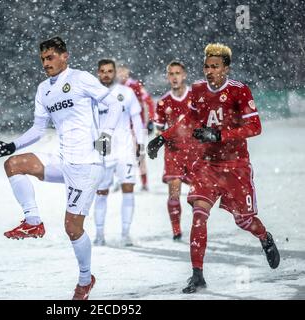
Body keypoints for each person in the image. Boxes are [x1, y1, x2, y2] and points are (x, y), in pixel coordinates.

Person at [0, 37, 121, 300]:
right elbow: (38, 129)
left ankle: (85, 280)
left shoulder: (80, 78)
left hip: (87, 163)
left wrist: (106, 135)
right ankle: (33, 222)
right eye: (43, 59)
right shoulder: (43, 89)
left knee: (72, 228)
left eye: (50, 58)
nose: (46, 64)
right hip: (62, 159)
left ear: (64, 56)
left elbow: (113, 105)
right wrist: (11, 146)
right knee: (14, 164)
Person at [147, 43, 280, 293]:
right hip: (208, 165)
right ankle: (197, 275)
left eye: (215, 67)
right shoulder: (198, 89)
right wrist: (163, 137)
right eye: (206, 66)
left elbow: (255, 128)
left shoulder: (239, 91)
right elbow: (190, 119)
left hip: (236, 166)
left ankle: (264, 237)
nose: (209, 71)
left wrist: (219, 134)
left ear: (226, 68)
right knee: (199, 214)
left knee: (244, 221)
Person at [93, 59, 145, 247]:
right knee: (101, 192)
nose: (106, 74)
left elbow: (137, 120)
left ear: (115, 73)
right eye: (102, 71)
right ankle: (99, 235)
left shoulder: (126, 93)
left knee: (128, 189)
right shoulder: (92, 95)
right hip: (102, 151)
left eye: (109, 71)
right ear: (98, 73)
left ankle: (125, 234)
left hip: (125, 150)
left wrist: (141, 145)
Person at [154, 61, 200, 241]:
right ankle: (176, 230)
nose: (174, 77)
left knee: (198, 195)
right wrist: (158, 139)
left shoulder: (195, 97)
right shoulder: (163, 101)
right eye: (171, 73)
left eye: (177, 73)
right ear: (167, 77)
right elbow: (159, 128)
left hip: (195, 152)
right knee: (174, 190)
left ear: (184, 75)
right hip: (173, 152)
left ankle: (198, 227)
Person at [116, 64, 155, 191]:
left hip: (137, 127)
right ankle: (121, 180)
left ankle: (144, 183)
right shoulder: (116, 88)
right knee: (120, 155)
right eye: (119, 71)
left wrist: (150, 120)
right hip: (122, 128)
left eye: (123, 70)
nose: (121, 74)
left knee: (140, 155)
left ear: (127, 71)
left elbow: (148, 101)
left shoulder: (135, 85)